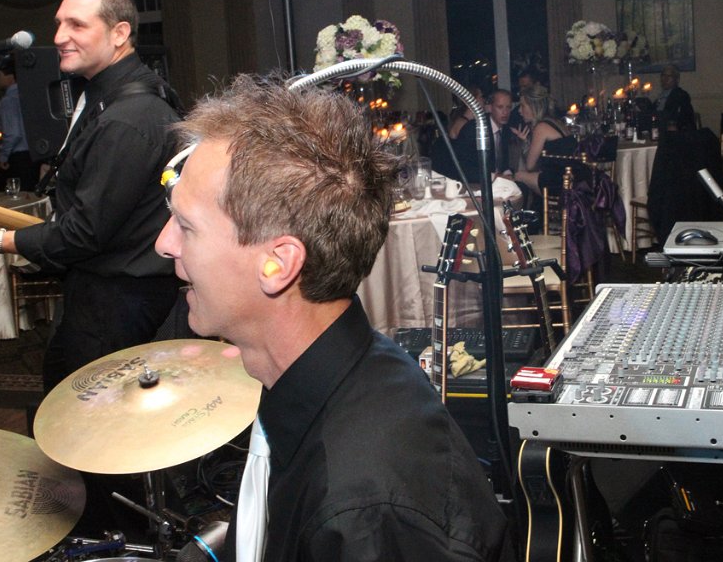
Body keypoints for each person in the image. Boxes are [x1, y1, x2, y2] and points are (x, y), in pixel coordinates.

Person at [155, 75, 514, 561]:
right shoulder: (317, 379)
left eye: (186, 226)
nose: (164, 244)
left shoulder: (362, 513)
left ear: (277, 264)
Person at [0, 0, 181, 392]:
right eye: (59, 23)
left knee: (90, 416)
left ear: (120, 33)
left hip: (119, 302)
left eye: (77, 25)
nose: (60, 36)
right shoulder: (107, 97)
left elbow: (84, 232)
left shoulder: (128, 119)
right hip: (104, 294)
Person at [514, 84, 577, 196]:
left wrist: (524, 143)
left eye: (522, 106)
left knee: (518, 176)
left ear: (534, 106)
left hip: (559, 182)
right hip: (572, 178)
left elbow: (530, 166)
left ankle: (529, 207)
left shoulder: (541, 128)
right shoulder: (556, 122)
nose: (519, 110)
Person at [0, 56, 40, 192]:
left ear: (10, 76)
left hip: (18, 157)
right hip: (33, 154)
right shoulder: (29, 95)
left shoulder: (8, 100)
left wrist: (3, 156)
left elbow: (13, 133)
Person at [655, 64, 696, 132]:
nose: (665, 79)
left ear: (677, 79)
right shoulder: (660, 96)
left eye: (669, 76)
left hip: (675, 133)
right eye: (663, 75)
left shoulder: (681, 95)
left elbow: (675, 117)